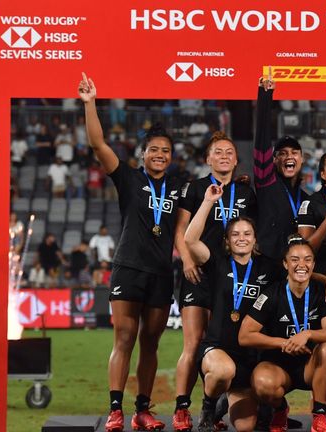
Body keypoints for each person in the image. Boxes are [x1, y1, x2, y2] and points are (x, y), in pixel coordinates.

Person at [79, 73, 184, 432]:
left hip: (160, 273)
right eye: (154, 149)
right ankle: (115, 410)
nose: (159, 155)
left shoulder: (179, 185)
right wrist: (90, 103)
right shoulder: (128, 178)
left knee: (151, 343)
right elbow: (98, 145)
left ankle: (142, 410)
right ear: (143, 154)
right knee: (123, 338)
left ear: (171, 157)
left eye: (165, 151)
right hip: (128, 267)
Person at [172, 131, 258, 431]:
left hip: (234, 277)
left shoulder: (247, 193)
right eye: (217, 152)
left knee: (225, 341)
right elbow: (181, 229)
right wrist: (186, 260)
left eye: (229, 152)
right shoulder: (195, 188)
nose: (223, 156)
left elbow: (252, 233)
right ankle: (182, 408)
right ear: (208, 159)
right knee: (194, 343)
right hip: (201, 272)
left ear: (236, 159)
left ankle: (217, 405)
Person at [183, 183, 278, 432]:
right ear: (227, 240)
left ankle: (230, 400)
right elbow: (190, 240)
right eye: (235, 234)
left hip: (251, 357)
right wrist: (207, 202)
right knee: (224, 371)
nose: (241, 238)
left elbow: (301, 270)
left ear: (255, 239)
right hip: (219, 350)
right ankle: (209, 406)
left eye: (247, 234)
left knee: (246, 426)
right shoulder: (217, 263)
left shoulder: (268, 268)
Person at [239, 238, 326, 432]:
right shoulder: (271, 294)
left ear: (314, 264)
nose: (301, 265)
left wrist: (307, 334)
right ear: (285, 264)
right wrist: (282, 342)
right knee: (262, 384)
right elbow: (245, 335)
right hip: (277, 365)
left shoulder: (323, 292)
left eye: (307, 260)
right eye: (295, 259)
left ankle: (320, 415)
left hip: (311, 365)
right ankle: (279, 409)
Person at [253, 72, 310, 261]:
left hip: (296, 267)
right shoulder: (266, 182)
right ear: (274, 160)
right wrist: (265, 96)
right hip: (267, 265)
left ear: (302, 159)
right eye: (282, 153)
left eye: (294, 153)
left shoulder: (308, 199)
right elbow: (261, 141)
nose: (289, 157)